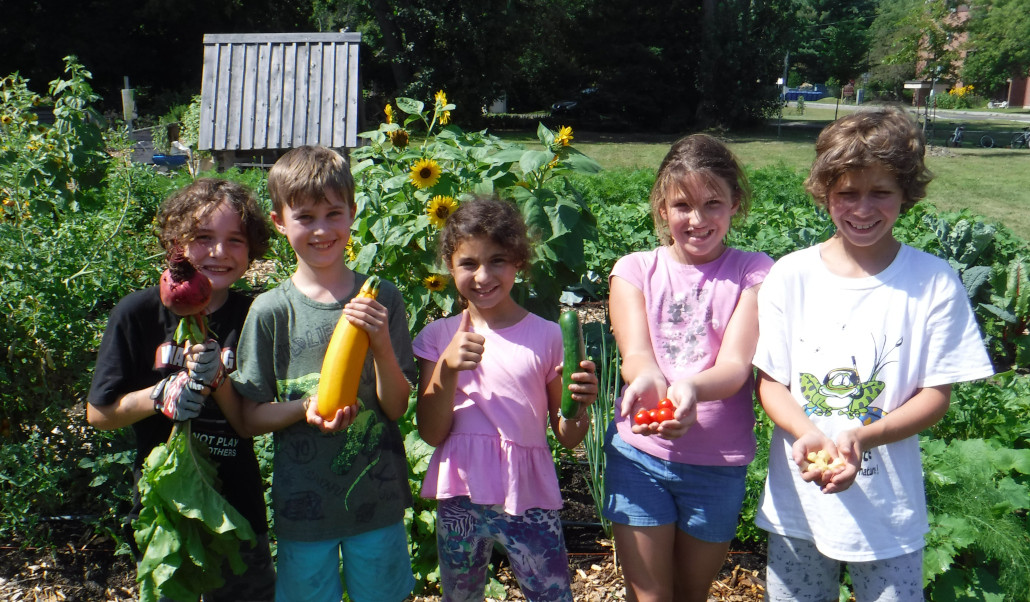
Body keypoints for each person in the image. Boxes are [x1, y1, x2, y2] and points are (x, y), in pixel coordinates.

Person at [752, 106, 994, 601]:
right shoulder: (791, 275)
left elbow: (936, 395)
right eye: (847, 193)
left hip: (889, 514)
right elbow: (771, 382)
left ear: (906, 193)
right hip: (799, 505)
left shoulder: (932, 282)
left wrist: (864, 435)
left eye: (880, 193)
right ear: (825, 193)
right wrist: (808, 432)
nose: (863, 209)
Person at [227, 145, 417, 602]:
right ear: (279, 222)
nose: (322, 229)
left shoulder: (382, 298)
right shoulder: (271, 311)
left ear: (353, 213)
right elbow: (250, 418)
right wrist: (303, 409)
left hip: (378, 502)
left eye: (334, 214)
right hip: (303, 509)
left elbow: (396, 405)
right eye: (305, 217)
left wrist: (382, 346)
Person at [87, 178, 276, 601]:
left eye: (235, 241)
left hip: (237, 509)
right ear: (175, 244)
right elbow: (99, 414)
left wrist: (218, 383)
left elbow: (252, 420)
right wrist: (158, 396)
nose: (218, 253)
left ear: (252, 250)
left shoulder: (255, 315)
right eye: (203, 238)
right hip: (164, 513)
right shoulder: (137, 313)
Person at [603, 134, 773, 602]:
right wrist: (651, 379)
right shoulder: (635, 270)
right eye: (682, 205)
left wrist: (691, 389)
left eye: (713, 203)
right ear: (662, 208)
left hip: (718, 465)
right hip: (640, 454)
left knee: (690, 593)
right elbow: (636, 355)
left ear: (735, 204)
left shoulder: (754, 272)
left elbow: (737, 365)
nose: (697, 220)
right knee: (651, 596)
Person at [414, 197, 599, 602]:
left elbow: (568, 436)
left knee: (550, 594)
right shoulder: (437, 338)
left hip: (526, 492)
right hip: (459, 490)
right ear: (449, 266)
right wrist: (446, 368)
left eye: (498, 260)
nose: (483, 275)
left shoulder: (549, 336)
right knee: (460, 596)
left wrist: (580, 406)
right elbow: (430, 432)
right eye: (468, 263)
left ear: (519, 262)